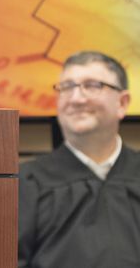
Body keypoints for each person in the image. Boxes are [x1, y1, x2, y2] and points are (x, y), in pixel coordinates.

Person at [18, 51, 139, 268]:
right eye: (66, 87)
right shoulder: (26, 184)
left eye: (92, 85)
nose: (76, 98)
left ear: (123, 102)